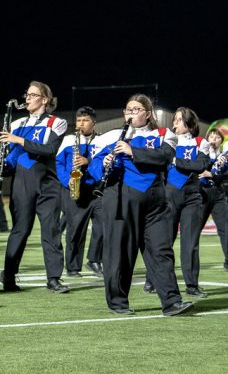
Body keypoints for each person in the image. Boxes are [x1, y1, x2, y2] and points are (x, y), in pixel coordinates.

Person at [89, 93, 193, 316]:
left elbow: (164, 157)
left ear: (148, 113)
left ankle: (171, 301)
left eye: (136, 109)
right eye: (128, 109)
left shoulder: (165, 134)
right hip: (119, 198)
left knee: (161, 251)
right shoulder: (111, 136)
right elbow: (94, 166)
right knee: (120, 252)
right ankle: (118, 302)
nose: (131, 113)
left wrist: (131, 151)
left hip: (155, 200)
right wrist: (105, 162)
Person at [0, 81, 69, 293]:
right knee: (20, 230)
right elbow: (14, 157)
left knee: (51, 230)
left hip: (47, 183)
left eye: (32, 95)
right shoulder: (17, 124)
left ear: (44, 99)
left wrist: (17, 140)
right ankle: (9, 276)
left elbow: (49, 149)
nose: (27, 99)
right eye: (26, 95)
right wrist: (2, 163)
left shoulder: (57, 122)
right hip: (22, 183)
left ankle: (54, 278)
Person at [154, 107, 210, 297]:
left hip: (192, 196)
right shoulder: (168, 140)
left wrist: (176, 161)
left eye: (178, 120)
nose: (174, 123)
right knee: (164, 240)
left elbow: (201, 165)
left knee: (190, 242)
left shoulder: (201, 142)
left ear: (189, 122)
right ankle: (152, 280)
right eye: (175, 120)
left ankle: (192, 285)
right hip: (170, 194)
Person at [55, 106, 105, 278]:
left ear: (94, 122)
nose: (81, 124)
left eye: (85, 120)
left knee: (103, 226)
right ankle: (73, 267)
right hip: (74, 187)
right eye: (78, 120)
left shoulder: (101, 140)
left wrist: (88, 161)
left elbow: (104, 162)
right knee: (75, 230)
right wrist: (67, 181)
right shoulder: (69, 140)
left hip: (96, 189)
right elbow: (59, 164)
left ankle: (94, 260)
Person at [201, 129, 228, 270]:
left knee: (225, 229)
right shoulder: (202, 152)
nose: (214, 139)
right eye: (211, 136)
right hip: (202, 195)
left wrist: (211, 174)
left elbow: (224, 174)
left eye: (217, 137)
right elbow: (198, 169)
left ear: (221, 141)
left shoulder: (225, 156)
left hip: (218, 194)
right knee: (193, 231)